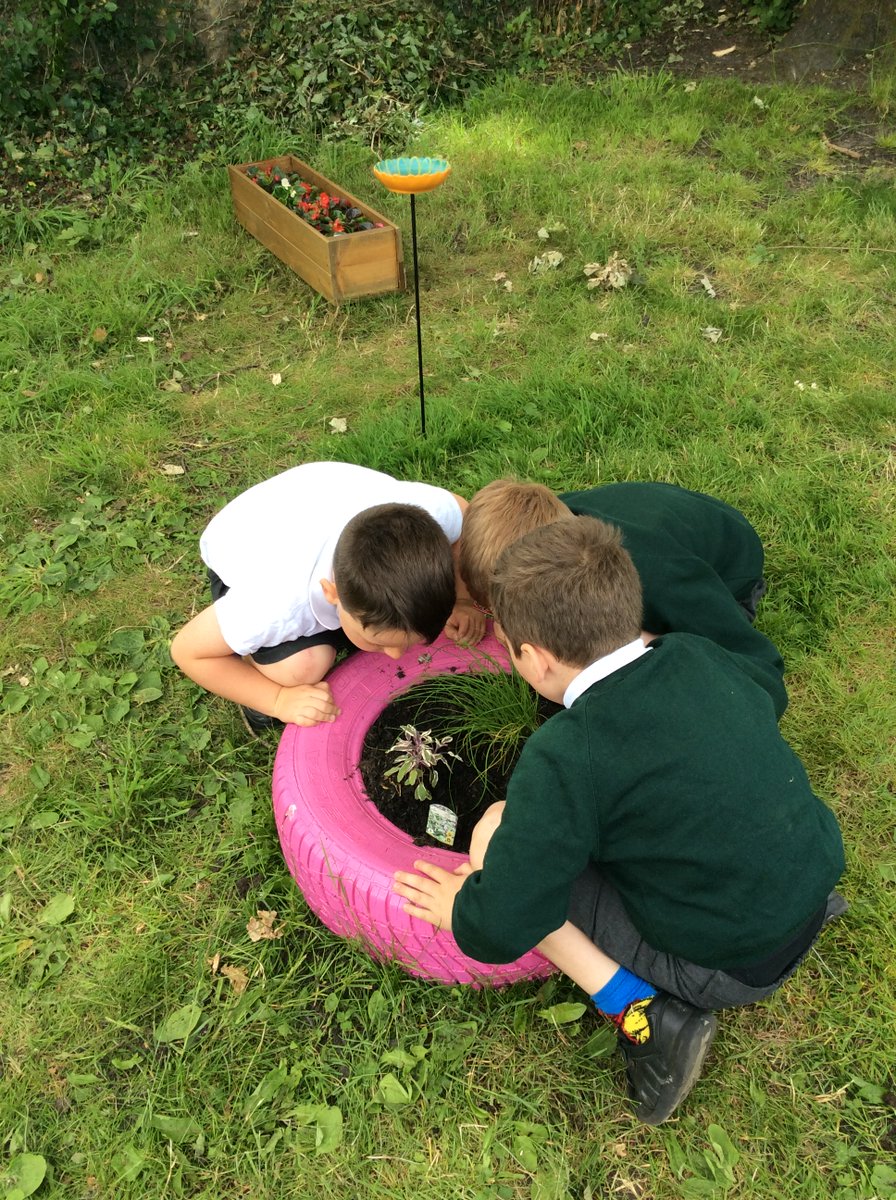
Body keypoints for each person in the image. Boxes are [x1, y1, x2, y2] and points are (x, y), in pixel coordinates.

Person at [394, 517, 845, 1125]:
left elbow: (504, 926)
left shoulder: (566, 755)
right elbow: (761, 699)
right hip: (809, 889)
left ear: (534, 657)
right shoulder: (694, 651)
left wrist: (463, 909)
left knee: (496, 833)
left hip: (727, 965)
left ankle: (645, 1017)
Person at [170, 461, 484, 733]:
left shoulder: (429, 515)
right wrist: (277, 700)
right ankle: (261, 666)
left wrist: (462, 599)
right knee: (301, 668)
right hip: (243, 541)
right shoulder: (276, 603)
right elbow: (189, 651)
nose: (395, 655)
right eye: (377, 640)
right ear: (331, 593)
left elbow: (462, 513)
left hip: (324, 499)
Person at [459, 478, 787, 716]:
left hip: (728, 568)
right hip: (660, 517)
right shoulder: (543, 528)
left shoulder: (661, 577)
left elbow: (756, 666)